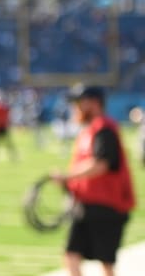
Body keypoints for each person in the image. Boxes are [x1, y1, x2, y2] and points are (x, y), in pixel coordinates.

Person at [50, 85, 135, 276]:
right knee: (71, 255)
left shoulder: (104, 129)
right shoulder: (91, 129)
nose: (76, 108)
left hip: (106, 205)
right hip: (88, 204)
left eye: (79, 103)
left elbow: (101, 164)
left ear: (93, 103)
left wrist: (67, 176)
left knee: (105, 262)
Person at [0, 90, 17, 162]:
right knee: (0, 144)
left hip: (1, 127)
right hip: (1, 127)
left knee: (4, 144)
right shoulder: (1, 107)